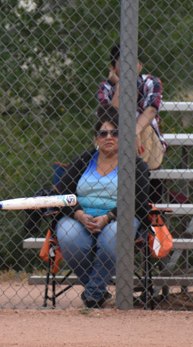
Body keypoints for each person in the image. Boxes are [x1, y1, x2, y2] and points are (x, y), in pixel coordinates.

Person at [56, 107, 154, 308]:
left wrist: (109, 216)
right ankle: (98, 290)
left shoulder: (135, 165)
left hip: (119, 217)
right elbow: (63, 192)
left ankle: (93, 294)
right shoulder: (83, 161)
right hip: (81, 217)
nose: (109, 137)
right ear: (96, 138)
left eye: (115, 133)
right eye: (103, 133)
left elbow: (139, 201)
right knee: (67, 235)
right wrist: (79, 214)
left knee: (112, 240)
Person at [96, 43, 167, 167]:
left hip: (150, 147)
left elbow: (150, 111)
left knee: (142, 128)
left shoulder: (151, 82)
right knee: (105, 131)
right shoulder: (105, 87)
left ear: (140, 66)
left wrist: (135, 132)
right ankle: (124, 173)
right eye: (123, 63)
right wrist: (120, 86)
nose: (129, 67)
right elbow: (109, 118)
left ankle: (136, 172)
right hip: (118, 141)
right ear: (112, 68)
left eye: (133, 62)